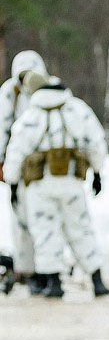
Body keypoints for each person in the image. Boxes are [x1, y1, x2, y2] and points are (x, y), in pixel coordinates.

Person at [2, 72, 109, 298]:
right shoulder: (76, 109)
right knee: (81, 228)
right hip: (71, 182)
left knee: (45, 233)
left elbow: (16, 150)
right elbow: (96, 140)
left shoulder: (31, 115)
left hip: (40, 185)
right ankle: (97, 279)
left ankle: (53, 283)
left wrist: (12, 183)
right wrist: (97, 171)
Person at [0, 50, 48, 293]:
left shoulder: (46, 90)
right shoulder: (9, 94)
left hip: (44, 168)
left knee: (46, 221)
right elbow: (2, 128)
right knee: (21, 222)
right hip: (19, 165)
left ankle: (46, 269)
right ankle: (26, 269)